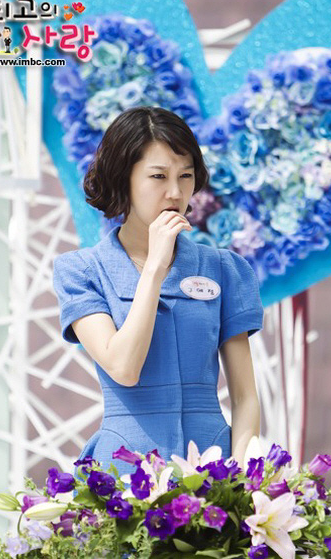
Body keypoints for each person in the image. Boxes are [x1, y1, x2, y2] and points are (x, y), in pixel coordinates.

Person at [53, 106, 264, 477]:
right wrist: (154, 268)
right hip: (124, 472)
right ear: (123, 178)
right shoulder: (82, 271)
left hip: (213, 470)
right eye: (158, 176)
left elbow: (245, 396)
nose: (175, 192)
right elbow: (124, 367)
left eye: (186, 176)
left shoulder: (224, 269)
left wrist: (245, 477)